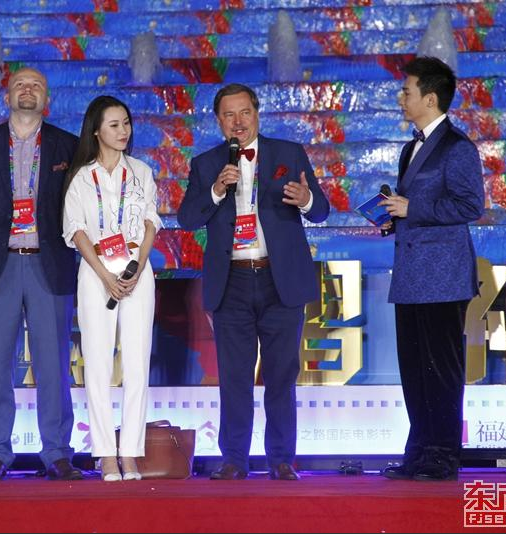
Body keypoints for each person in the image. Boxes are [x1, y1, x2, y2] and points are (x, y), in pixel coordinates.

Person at [177, 84, 330, 480]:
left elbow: (321, 210)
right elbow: (188, 218)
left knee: (281, 373)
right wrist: (216, 190)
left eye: (244, 112)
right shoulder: (206, 164)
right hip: (232, 280)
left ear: (257, 114)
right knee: (234, 376)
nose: (238, 122)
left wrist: (306, 199)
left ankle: (281, 458)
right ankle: (234, 459)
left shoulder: (288, 154)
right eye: (229, 115)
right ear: (218, 121)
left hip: (280, 279)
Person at [0, 67, 82, 481]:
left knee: (54, 364)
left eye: (36, 85)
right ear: (6, 97)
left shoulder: (68, 146)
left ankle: (57, 452)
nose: (28, 90)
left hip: (50, 263)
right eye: (20, 85)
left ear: (47, 99)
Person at [379, 56, 484, 481]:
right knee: (414, 370)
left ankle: (443, 454)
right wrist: (394, 218)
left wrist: (413, 207)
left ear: (430, 98)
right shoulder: (411, 148)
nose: (401, 98)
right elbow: (417, 209)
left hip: (442, 277)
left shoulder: (457, 147)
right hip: (411, 276)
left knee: (441, 370)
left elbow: (470, 205)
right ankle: (419, 452)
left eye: (407, 91)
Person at [62, 96, 161, 482]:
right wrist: (105, 276)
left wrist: (136, 268)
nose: (123, 131)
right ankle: (105, 453)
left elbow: (151, 222)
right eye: (114, 125)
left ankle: (130, 452)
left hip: (136, 269)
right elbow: (76, 231)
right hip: (96, 272)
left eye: (126, 124)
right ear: (96, 131)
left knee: (137, 363)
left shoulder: (141, 171)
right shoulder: (81, 177)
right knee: (98, 363)